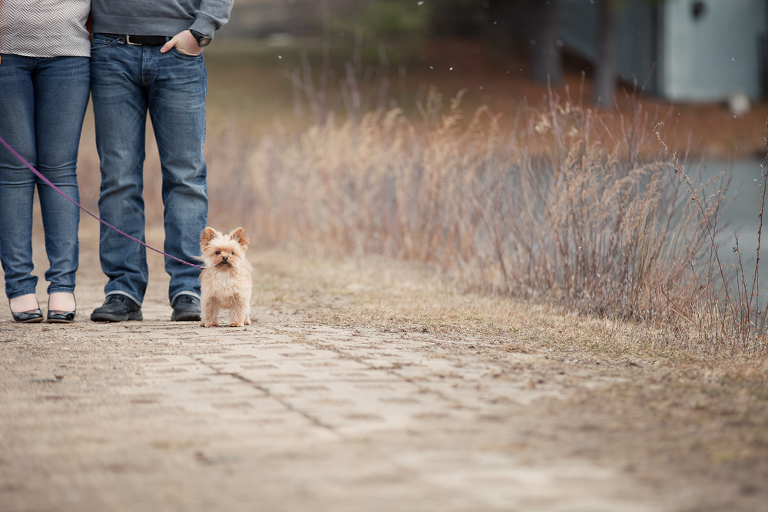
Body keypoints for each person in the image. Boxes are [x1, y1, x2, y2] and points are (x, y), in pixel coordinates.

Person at [88, 0, 234, 322]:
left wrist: (200, 31)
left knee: (185, 176)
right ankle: (122, 289)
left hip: (180, 51)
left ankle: (189, 289)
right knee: (118, 175)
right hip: (111, 47)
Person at [0, 0, 91, 323]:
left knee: (59, 169)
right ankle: (19, 285)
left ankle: (63, 284)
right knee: (14, 170)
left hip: (69, 54)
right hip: (6, 54)